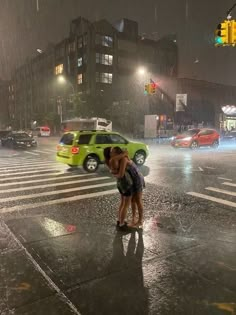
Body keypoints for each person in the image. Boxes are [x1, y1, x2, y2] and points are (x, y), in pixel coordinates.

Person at [104, 147, 144, 230]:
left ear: (117, 153)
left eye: (112, 152)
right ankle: (134, 219)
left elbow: (121, 174)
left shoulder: (123, 159)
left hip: (137, 179)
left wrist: (114, 174)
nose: (110, 153)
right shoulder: (119, 159)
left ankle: (140, 221)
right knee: (133, 201)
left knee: (138, 201)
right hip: (132, 179)